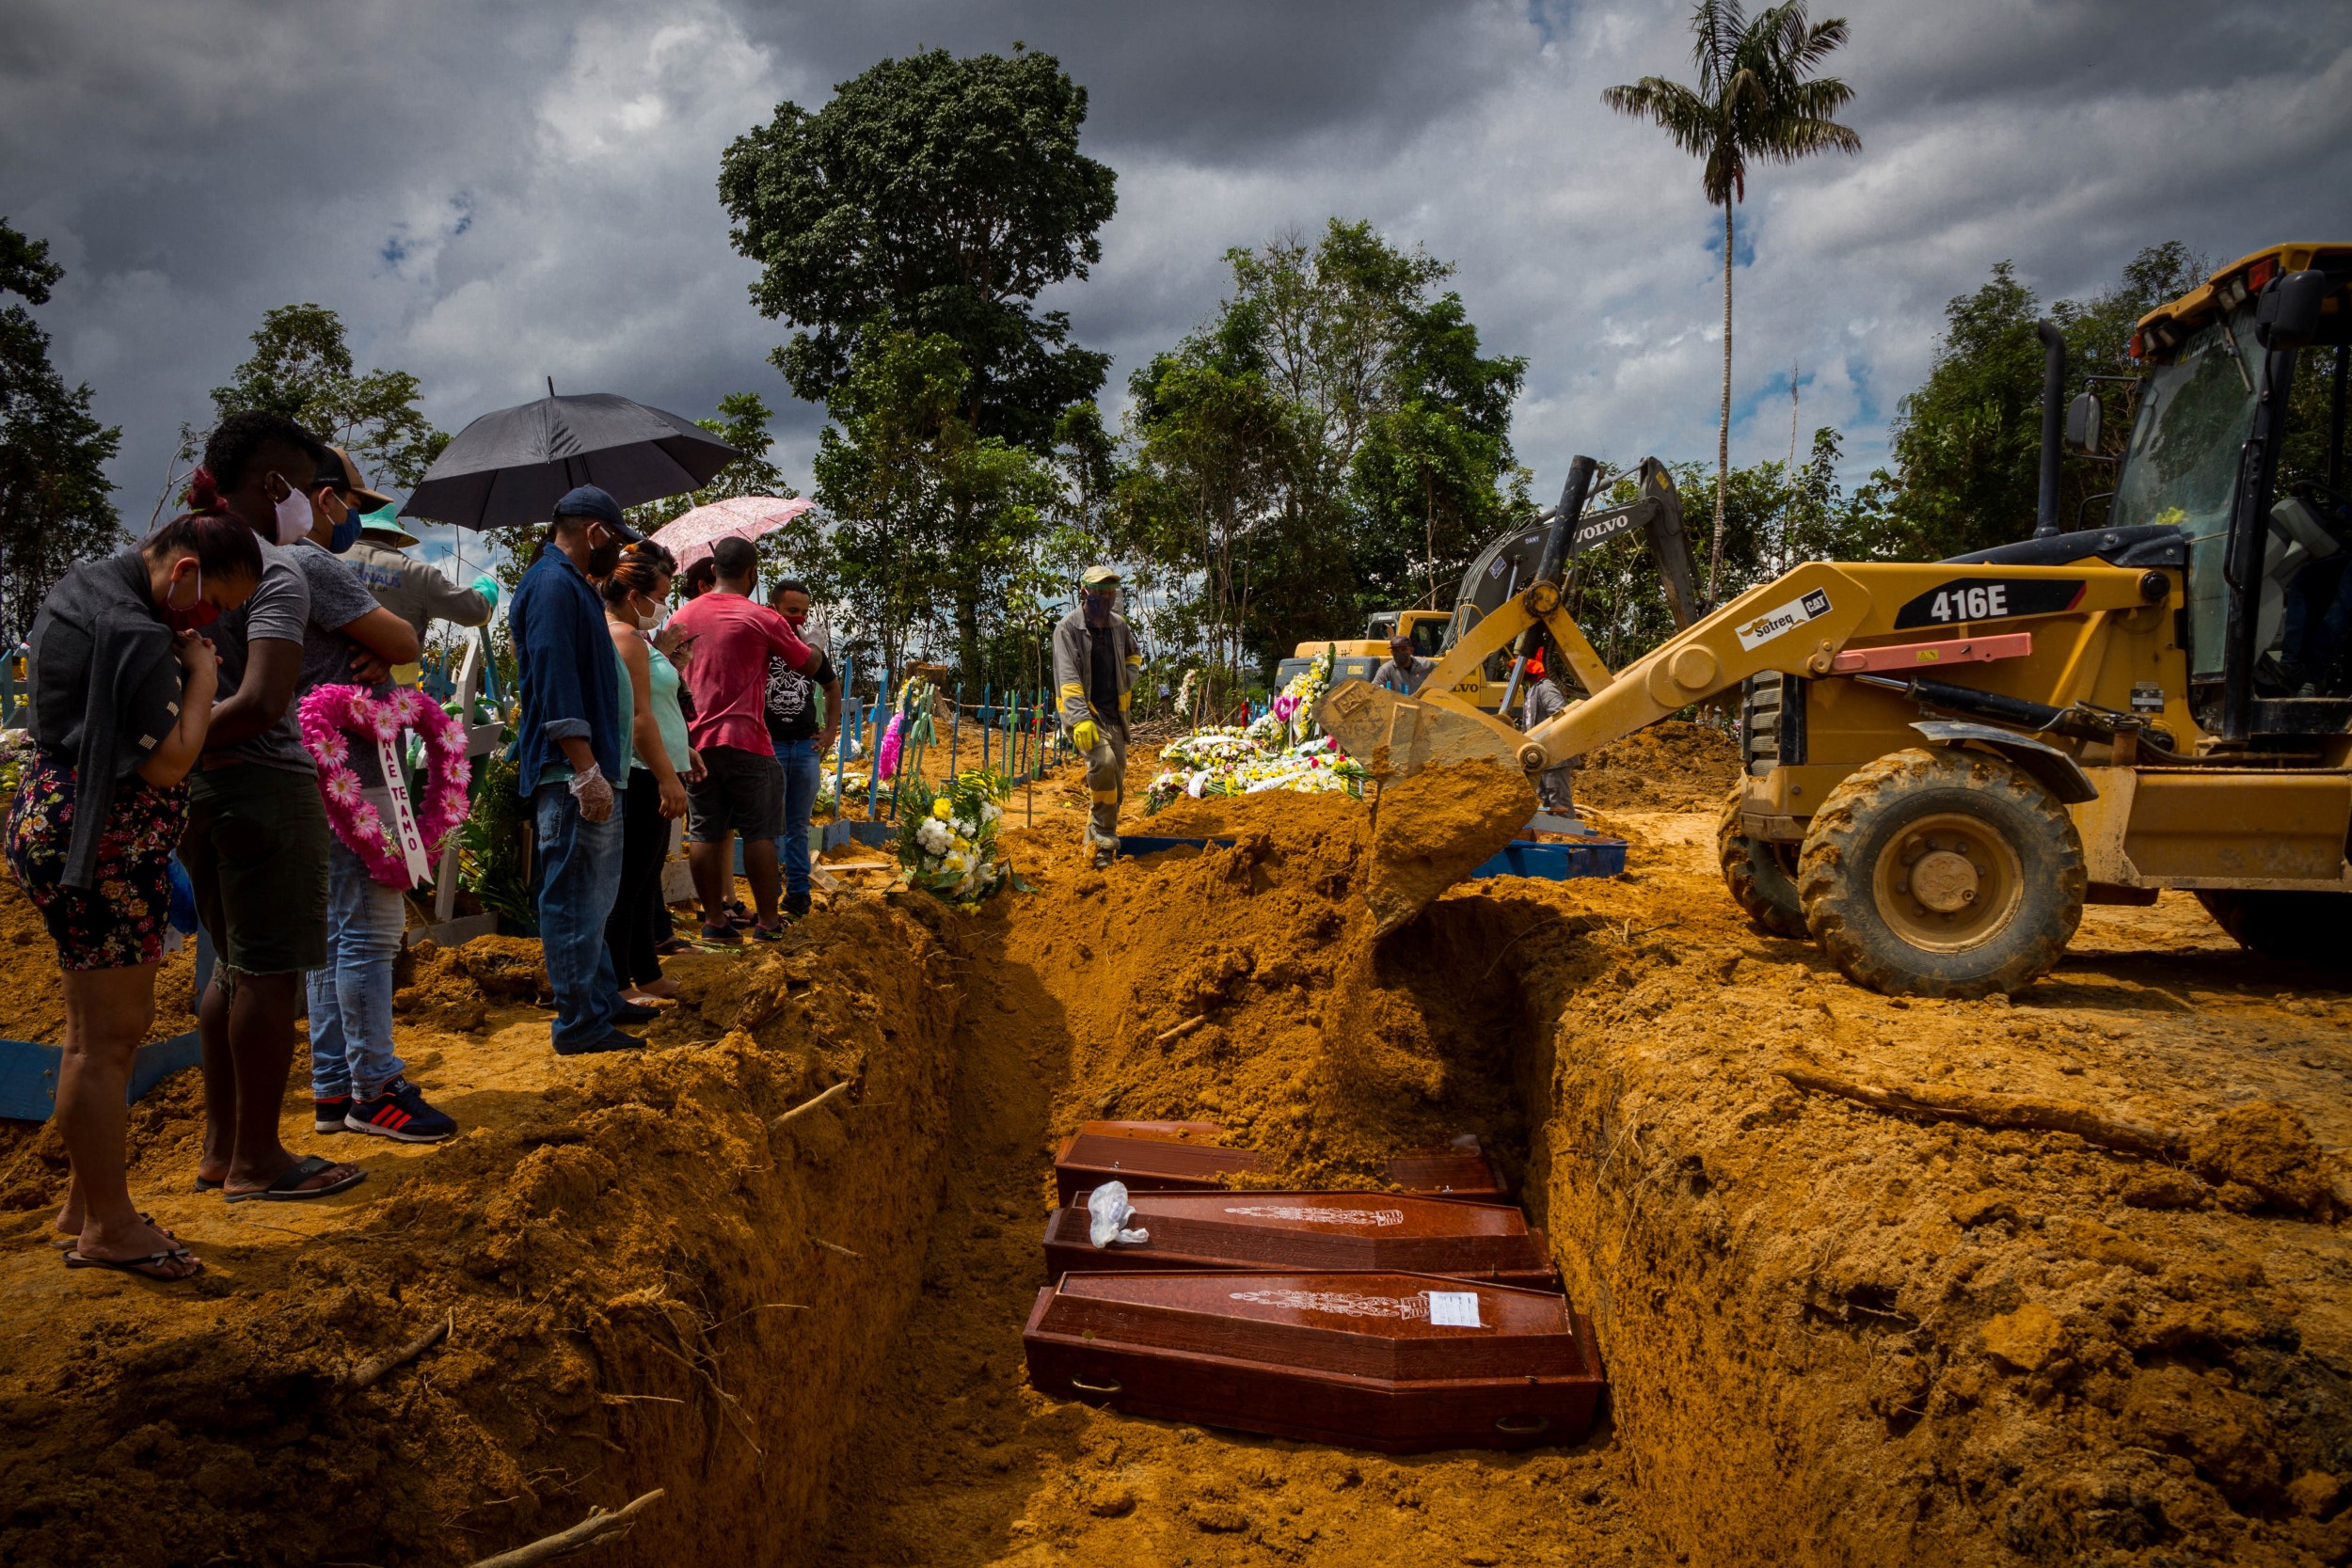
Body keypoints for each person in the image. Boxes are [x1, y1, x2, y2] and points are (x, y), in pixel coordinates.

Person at [8, 510, 264, 1279]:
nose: (212, 620)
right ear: (184, 572)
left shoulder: (83, 593)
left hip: (61, 821)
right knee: (106, 1038)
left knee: (95, 1029)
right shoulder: (136, 632)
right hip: (101, 840)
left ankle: (84, 1205)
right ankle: (111, 1227)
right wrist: (206, 679)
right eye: (215, 603)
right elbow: (168, 762)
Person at [179, 411, 394, 1202]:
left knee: (230, 968)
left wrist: (178, 750)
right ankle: (261, 1161)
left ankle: (220, 1145)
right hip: (267, 779)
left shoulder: (179, 554)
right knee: (270, 975)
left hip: (194, 788)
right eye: (306, 489)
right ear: (274, 485)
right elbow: (267, 697)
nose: (315, 506)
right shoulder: (277, 565)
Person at [287, 464, 456, 1144]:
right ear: (326, 500)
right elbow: (405, 641)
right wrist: (387, 651)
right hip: (350, 774)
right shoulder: (312, 563)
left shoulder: (262, 564)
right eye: (354, 505)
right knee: (368, 933)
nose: (355, 520)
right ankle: (374, 1088)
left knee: (332, 938)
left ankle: (334, 1086)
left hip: (309, 773)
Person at [509, 484, 644, 1055]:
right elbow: (554, 672)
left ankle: (600, 998)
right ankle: (578, 1023)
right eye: (615, 540)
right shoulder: (550, 585)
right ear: (594, 533)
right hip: (570, 775)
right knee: (572, 897)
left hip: (590, 769)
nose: (618, 552)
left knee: (596, 895)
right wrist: (583, 765)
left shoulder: (571, 587)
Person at [665, 536, 829, 942]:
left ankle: (714, 923)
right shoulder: (761, 617)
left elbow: (669, 674)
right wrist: (813, 643)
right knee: (760, 833)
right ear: (752, 574)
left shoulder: (681, 617)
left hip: (695, 743)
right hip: (748, 741)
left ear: (713, 571)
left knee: (704, 831)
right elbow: (806, 664)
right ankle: (769, 923)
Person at [602, 544, 699, 1002]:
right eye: (659, 595)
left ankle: (647, 973)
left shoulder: (635, 639)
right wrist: (666, 775)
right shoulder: (621, 637)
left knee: (644, 882)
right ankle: (619, 982)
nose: (663, 606)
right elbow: (638, 719)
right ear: (634, 595)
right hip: (642, 773)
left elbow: (659, 705)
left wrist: (686, 751)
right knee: (629, 884)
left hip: (656, 767)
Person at [338, 446, 500, 665]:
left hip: (322, 692)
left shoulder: (325, 559)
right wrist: (487, 590)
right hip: (395, 694)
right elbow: (476, 612)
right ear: (395, 535)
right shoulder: (419, 575)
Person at [1052, 565, 1144, 869]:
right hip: (1086, 716)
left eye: (1110, 592)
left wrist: (1125, 681)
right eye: (1099, 592)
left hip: (1114, 717)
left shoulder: (1119, 626)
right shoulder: (1067, 629)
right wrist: (1079, 719)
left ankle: (1090, 851)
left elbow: (1135, 656)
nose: (1105, 598)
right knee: (1102, 764)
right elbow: (1068, 679)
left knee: (1113, 789)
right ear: (1084, 593)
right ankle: (1105, 846)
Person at [764, 578, 842, 922]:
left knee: (798, 825)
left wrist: (829, 731)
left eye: (803, 612)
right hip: (770, 747)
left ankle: (798, 895)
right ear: (773, 610)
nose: (798, 618)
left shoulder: (811, 651)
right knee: (768, 827)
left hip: (806, 747)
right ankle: (768, 896)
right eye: (791, 610)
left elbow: (832, 687)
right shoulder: (761, 646)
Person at [1519, 646, 1576, 816]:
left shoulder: (1547, 687)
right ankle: (1553, 832)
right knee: (1545, 797)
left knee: (1558, 797)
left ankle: (1566, 833)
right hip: (1540, 756)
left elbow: (1559, 714)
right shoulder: (1532, 690)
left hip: (1554, 755)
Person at [1370, 630, 1435, 695]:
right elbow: (1373, 692)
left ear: (1411, 650)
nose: (1399, 653)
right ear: (1392, 653)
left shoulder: (1427, 665)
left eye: (1403, 650)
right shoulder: (1386, 670)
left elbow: (1443, 670)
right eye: (1396, 651)